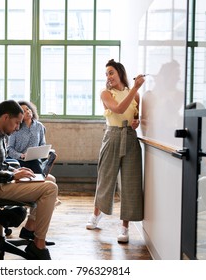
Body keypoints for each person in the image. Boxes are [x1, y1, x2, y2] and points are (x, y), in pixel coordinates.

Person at [0, 99, 58, 260]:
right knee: (50, 189)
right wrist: (11, 175)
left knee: (49, 181)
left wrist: (15, 170)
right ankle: (38, 244)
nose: (18, 127)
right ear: (5, 117)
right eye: (16, 123)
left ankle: (33, 233)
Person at [86, 59, 145, 243]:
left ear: (120, 73)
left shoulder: (136, 96)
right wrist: (135, 88)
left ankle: (124, 228)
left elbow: (135, 119)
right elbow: (119, 109)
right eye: (106, 74)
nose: (108, 77)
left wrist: (136, 122)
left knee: (130, 183)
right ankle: (96, 215)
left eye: (111, 72)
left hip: (130, 138)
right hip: (112, 136)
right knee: (106, 177)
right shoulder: (106, 93)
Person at [7, 100, 61, 206]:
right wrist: (21, 155)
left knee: (37, 160)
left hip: (35, 159)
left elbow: (42, 144)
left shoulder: (39, 126)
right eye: (23, 111)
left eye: (28, 108)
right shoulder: (16, 128)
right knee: (37, 166)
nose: (27, 111)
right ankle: (49, 196)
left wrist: (44, 151)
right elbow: (9, 149)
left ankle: (45, 196)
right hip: (19, 161)